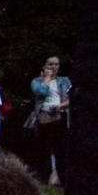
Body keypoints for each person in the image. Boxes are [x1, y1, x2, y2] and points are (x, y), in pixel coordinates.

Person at [29, 53, 71, 186]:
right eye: (50, 64)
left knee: (61, 148)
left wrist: (61, 106)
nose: (54, 66)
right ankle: (43, 178)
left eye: (56, 64)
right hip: (44, 116)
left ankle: (61, 179)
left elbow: (72, 97)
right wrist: (47, 78)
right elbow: (40, 92)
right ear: (45, 66)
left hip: (61, 114)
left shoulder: (64, 81)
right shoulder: (37, 81)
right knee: (43, 148)